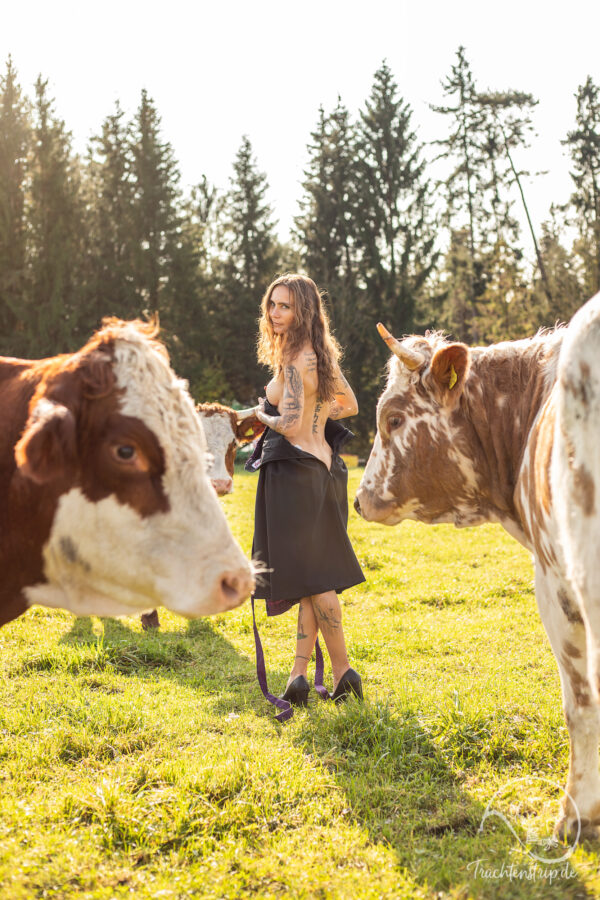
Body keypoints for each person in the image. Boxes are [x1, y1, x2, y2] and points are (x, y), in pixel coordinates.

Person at [247, 273, 365, 716]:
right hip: (324, 470)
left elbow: (290, 422)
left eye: (284, 307)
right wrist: (317, 411)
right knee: (313, 581)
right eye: (272, 305)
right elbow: (349, 404)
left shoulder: (297, 359)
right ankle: (299, 675)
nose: (275, 313)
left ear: (303, 311)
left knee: (316, 580)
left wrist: (263, 413)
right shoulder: (321, 355)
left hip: (296, 473)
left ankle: (343, 673)